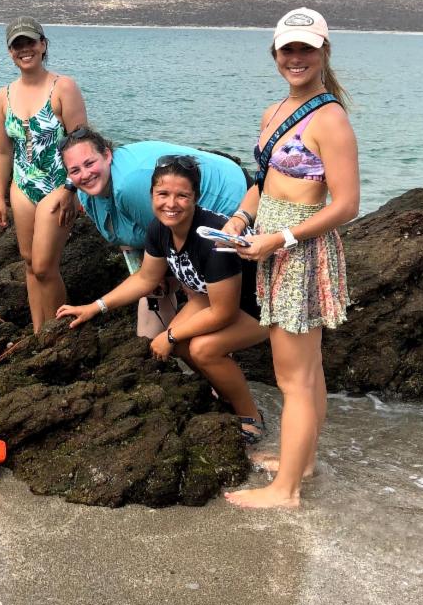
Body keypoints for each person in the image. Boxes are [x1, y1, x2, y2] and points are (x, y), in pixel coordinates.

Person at [222, 7, 359, 510]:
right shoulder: (274, 112)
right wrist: (240, 218)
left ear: (324, 52)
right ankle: (302, 462)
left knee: (293, 379)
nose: (296, 58)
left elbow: (346, 204)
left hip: (299, 253)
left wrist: (279, 239)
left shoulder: (330, 119)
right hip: (273, 245)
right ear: (275, 53)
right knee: (309, 368)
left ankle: (286, 491)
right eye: (288, 49)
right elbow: (265, 182)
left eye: (306, 48)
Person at [56, 155, 268, 439]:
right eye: (163, 194)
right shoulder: (160, 228)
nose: (171, 204)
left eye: (182, 196)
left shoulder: (213, 240)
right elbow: (146, 278)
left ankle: (250, 416)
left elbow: (224, 313)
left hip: (260, 307)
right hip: (210, 298)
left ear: (196, 197)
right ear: (151, 195)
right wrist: (95, 307)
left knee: (202, 349)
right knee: (181, 346)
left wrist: (169, 335)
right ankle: (225, 392)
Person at [58, 128, 249, 337]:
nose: (85, 175)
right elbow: (133, 242)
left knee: (192, 286)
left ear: (107, 154)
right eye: (75, 170)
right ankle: (155, 346)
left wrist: (167, 277)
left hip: (230, 196)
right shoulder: (88, 194)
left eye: (89, 163)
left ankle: (209, 340)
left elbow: (173, 235)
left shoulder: (129, 187)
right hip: (177, 214)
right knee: (155, 287)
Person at [0, 16, 88, 333]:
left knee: (46, 266)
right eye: (17, 45)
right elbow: (2, 151)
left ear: (43, 45)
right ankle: (39, 334)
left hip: (58, 185)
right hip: (22, 186)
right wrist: (0, 198)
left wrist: (71, 189)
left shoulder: (63, 87)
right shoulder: (3, 96)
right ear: (10, 52)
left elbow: (83, 143)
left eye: (30, 42)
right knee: (30, 263)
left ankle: (60, 334)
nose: (25, 50)